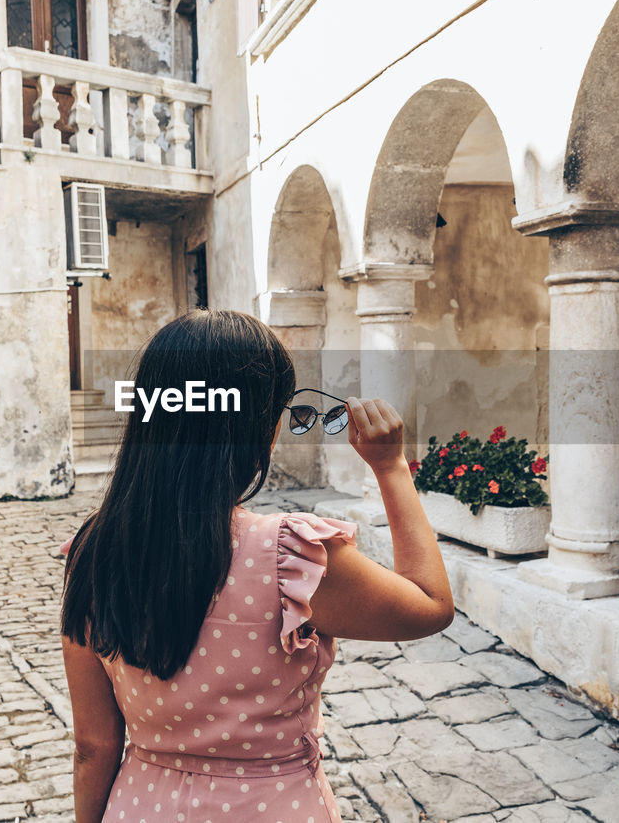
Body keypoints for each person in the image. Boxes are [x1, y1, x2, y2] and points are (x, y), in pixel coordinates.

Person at [61, 309, 454, 822]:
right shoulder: (294, 560)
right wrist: (392, 467)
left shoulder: (94, 553)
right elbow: (431, 605)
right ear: (259, 430)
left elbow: (94, 745)